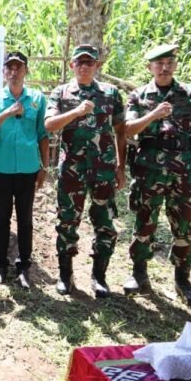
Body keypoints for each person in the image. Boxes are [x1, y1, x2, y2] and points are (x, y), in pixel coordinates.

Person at [123, 44, 191, 306]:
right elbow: (129, 129)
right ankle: (139, 274)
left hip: (182, 171)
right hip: (148, 172)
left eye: (169, 63)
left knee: (184, 227)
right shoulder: (138, 95)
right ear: (149, 67)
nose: (164, 68)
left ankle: (183, 279)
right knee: (144, 224)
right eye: (159, 63)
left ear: (175, 65)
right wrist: (153, 114)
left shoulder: (189, 94)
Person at [44, 44, 126, 298]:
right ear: (72, 66)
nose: (84, 66)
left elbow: (121, 130)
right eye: (79, 62)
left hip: (103, 171)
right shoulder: (62, 93)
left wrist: (121, 166)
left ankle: (99, 276)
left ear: (97, 66)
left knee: (105, 223)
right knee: (67, 222)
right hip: (72, 171)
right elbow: (49, 125)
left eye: (89, 62)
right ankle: (65, 275)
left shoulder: (111, 94)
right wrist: (76, 111)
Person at [0, 51, 49, 289]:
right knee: (2, 220)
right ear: (4, 72)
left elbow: (43, 134)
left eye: (18, 67)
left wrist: (45, 166)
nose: (14, 71)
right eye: (9, 67)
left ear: (26, 71)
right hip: (2, 169)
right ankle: (0, 267)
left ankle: (23, 268)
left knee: (26, 220)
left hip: (29, 169)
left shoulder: (38, 99)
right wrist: (8, 112)